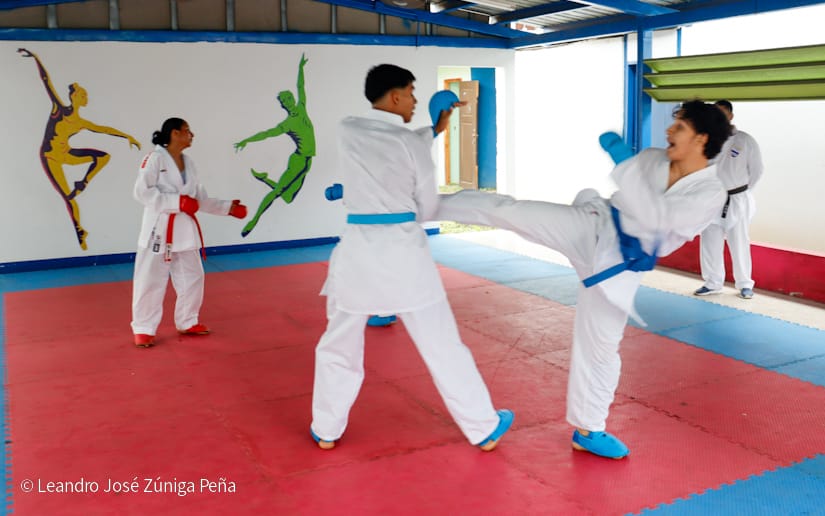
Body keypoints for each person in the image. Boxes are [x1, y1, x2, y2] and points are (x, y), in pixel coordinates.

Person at [435, 100, 731, 459]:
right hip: (592, 225)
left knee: (601, 348)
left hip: (620, 266)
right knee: (508, 210)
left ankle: (589, 430)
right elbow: (631, 201)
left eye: (680, 127)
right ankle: (419, 205)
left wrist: (625, 165)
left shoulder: (710, 192)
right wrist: (630, 168)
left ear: (701, 139)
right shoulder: (653, 159)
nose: (669, 131)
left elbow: (657, 220)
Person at [310, 64, 513, 451]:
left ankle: (326, 429)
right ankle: (483, 427)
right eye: (412, 93)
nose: (415, 101)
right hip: (403, 253)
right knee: (442, 343)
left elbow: (387, 147)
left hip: (356, 252)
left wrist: (433, 130)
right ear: (396, 95)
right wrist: (426, 142)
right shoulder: (410, 143)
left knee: (338, 343)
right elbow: (428, 205)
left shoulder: (347, 128)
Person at [131, 118, 248, 348]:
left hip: (184, 231)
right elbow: (141, 192)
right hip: (159, 230)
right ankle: (143, 328)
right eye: (187, 131)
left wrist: (228, 208)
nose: (191, 134)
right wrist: (177, 202)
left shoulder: (189, 163)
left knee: (193, 276)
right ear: (174, 133)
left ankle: (187, 320)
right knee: (150, 280)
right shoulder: (154, 159)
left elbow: (199, 198)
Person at [18, 47, 142, 250]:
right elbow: (46, 81)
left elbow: (104, 129)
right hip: (50, 156)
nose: (86, 97)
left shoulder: (81, 122)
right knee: (68, 197)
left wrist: (127, 136)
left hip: (66, 154)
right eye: (83, 94)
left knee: (103, 157)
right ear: (75, 96)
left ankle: (83, 182)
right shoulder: (59, 110)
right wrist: (36, 58)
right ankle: (79, 230)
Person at [234, 54, 316, 237]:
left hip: (307, 162)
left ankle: (264, 178)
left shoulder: (302, 108)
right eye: (284, 101)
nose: (288, 102)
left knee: (288, 197)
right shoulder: (287, 124)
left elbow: (301, 86)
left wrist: (300, 68)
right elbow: (266, 134)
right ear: (283, 106)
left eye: (289, 98)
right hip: (298, 160)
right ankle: (253, 221)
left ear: (293, 99)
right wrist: (247, 140)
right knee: (279, 192)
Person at [694, 100, 764, 300]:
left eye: (723, 114)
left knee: (739, 241)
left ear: (731, 116)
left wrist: (741, 191)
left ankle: (745, 284)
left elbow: (757, 170)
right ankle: (712, 282)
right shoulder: (705, 140)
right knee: (709, 241)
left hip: (737, 197)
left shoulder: (745, 140)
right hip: (711, 198)